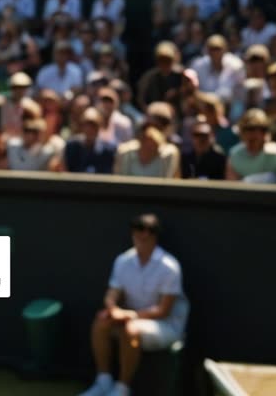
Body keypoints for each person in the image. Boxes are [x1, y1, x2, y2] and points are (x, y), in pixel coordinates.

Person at [79, 214, 189, 396]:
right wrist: (112, 308)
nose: (143, 235)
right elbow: (113, 292)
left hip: (166, 326)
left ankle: (122, 388)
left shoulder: (169, 267)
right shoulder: (123, 261)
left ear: (155, 235)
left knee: (130, 329)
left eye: (150, 232)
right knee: (101, 322)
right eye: (139, 230)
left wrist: (130, 315)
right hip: (130, 318)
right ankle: (104, 382)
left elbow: (163, 310)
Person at [227, 108, 276, 183]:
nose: (251, 134)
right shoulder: (235, 154)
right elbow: (232, 185)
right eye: (247, 128)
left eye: (257, 128)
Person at [115, 123, 180, 179]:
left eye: (155, 145)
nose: (151, 148)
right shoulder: (127, 153)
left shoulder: (166, 156)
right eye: (148, 142)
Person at [65, 108, 117, 174]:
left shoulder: (108, 150)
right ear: (82, 126)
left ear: (99, 127)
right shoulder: (72, 146)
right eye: (86, 125)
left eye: (94, 126)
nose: (89, 129)